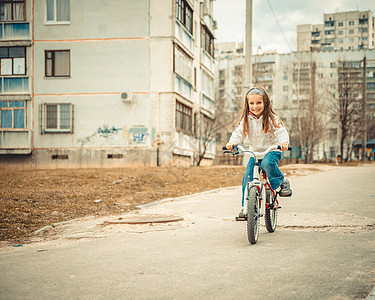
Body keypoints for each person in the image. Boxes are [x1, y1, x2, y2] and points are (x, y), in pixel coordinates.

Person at [225, 86, 292, 218]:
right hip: (254, 153)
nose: (255, 106)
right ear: (247, 104)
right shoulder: (246, 119)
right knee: (247, 176)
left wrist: (284, 143)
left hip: (271, 150)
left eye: (259, 103)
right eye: (252, 103)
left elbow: (281, 132)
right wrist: (232, 143)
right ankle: (245, 207)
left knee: (267, 164)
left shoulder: (272, 118)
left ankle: (282, 180)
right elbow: (238, 133)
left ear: (265, 103)